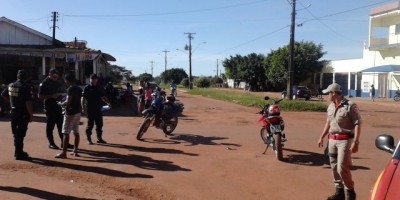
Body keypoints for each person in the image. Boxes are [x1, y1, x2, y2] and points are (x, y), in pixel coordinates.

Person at [317, 83, 361, 200]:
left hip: (345, 140)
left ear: (334, 93)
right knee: (333, 166)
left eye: (328, 93)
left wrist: (356, 142)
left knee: (342, 168)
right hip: (332, 140)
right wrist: (321, 137)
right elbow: (328, 123)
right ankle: (339, 192)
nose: (327, 96)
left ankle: (350, 192)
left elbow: (358, 123)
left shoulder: (350, 106)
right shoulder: (330, 106)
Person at [1, 70, 33, 160]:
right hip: (22, 113)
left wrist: (12, 102)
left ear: (17, 76)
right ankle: (19, 153)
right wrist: (31, 115)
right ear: (26, 77)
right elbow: (28, 102)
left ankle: (18, 151)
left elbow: (3, 95)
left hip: (13, 113)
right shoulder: (25, 87)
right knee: (20, 134)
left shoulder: (11, 85)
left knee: (16, 134)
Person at [38, 68, 72, 150]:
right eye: (53, 73)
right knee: (50, 126)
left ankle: (63, 143)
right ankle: (51, 143)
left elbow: (62, 91)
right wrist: (51, 96)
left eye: (56, 74)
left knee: (61, 125)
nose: (55, 75)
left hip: (58, 107)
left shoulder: (58, 82)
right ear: (49, 74)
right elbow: (39, 96)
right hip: (49, 107)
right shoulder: (44, 83)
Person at [55, 73, 82, 158]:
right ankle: (76, 151)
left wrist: (61, 104)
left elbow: (68, 102)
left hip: (70, 112)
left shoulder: (70, 89)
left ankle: (64, 153)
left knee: (66, 132)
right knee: (76, 131)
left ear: (67, 80)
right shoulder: (79, 88)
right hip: (78, 112)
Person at [82, 73, 111, 144]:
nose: (94, 80)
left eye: (95, 79)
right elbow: (83, 99)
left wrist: (108, 103)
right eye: (92, 79)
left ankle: (99, 139)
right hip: (90, 109)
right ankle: (89, 139)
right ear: (90, 80)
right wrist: (83, 108)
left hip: (98, 109)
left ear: (97, 80)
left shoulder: (99, 87)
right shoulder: (87, 88)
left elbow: (103, 97)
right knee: (90, 125)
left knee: (99, 124)